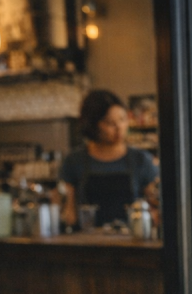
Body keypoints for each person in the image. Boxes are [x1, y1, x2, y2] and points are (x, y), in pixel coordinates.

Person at [59, 89, 159, 229]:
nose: (119, 128)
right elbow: (67, 210)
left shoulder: (141, 160)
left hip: (131, 242)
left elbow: (155, 203)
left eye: (122, 120)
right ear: (92, 125)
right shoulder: (74, 161)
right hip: (87, 243)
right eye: (109, 123)